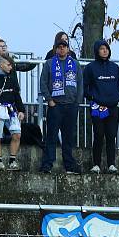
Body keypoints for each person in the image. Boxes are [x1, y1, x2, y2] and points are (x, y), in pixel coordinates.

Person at [39, 39, 83, 174]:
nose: (62, 49)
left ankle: (69, 165)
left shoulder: (75, 64)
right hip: (55, 105)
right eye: (59, 47)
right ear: (55, 49)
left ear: (68, 49)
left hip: (71, 106)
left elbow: (80, 83)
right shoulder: (49, 63)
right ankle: (47, 164)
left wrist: (77, 102)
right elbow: (43, 82)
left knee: (68, 137)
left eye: (64, 46)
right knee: (51, 136)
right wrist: (49, 100)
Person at [83, 39, 119, 173]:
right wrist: (94, 98)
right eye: (101, 48)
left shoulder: (114, 67)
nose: (104, 50)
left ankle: (111, 164)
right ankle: (96, 164)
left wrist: (117, 98)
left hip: (112, 107)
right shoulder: (90, 67)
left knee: (111, 136)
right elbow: (85, 87)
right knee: (98, 134)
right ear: (97, 51)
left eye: (106, 48)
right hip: (97, 106)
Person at [0, 53, 26, 170]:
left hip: (11, 110)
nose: (11, 67)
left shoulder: (13, 78)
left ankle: (12, 160)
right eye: (9, 65)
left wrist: (21, 110)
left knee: (17, 135)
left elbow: (17, 95)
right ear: (1, 64)